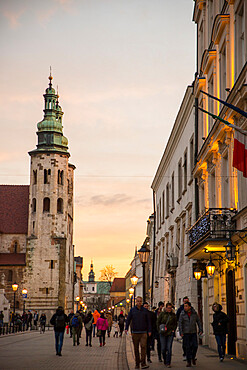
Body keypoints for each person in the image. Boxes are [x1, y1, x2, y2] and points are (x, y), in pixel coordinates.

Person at [125, 296, 152, 369]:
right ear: (136, 302)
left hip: (143, 332)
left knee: (143, 347)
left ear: (142, 302)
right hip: (135, 332)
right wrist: (126, 328)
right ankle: (137, 363)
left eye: (140, 301)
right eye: (138, 301)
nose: (139, 302)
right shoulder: (132, 310)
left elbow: (148, 321)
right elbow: (128, 319)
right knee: (136, 348)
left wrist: (149, 330)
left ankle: (143, 362)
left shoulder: (145, 311)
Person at [179, 302, 203, 367]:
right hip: (186, 333)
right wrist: (181, 332)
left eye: (186, 306)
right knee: (188, 347)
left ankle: (193, 357)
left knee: (195, 346)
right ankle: (188, 361)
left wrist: (200, 329)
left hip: (193, 332)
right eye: (184, 306)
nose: (185, 308)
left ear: (189, 307)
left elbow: (198, 321)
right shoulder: (182, 314)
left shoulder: (194, 313)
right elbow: (180, 323)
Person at [157, 302, 177, 368]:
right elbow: (158, 322)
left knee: (169, 348)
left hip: (170, 333)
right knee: (163, 348)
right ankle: (165, 359)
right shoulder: (162, 314)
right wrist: (159, 329)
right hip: (162, 333)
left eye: (170, 308)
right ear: (166, 308)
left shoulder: (173, 315)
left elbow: (175, 323)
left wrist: (173, 329)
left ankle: (168, 362)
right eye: (168, 308)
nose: (169, 309)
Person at [176, 296, 190, 361]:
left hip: (191, 329)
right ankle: (185, 354)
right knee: (185, 343)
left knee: (192, 343)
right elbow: (177, 317)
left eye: (187, 301)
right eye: (185, 301)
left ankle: (190, 355)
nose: (186, 303)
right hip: (184, 329)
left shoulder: (191, 309)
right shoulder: (180, 309)